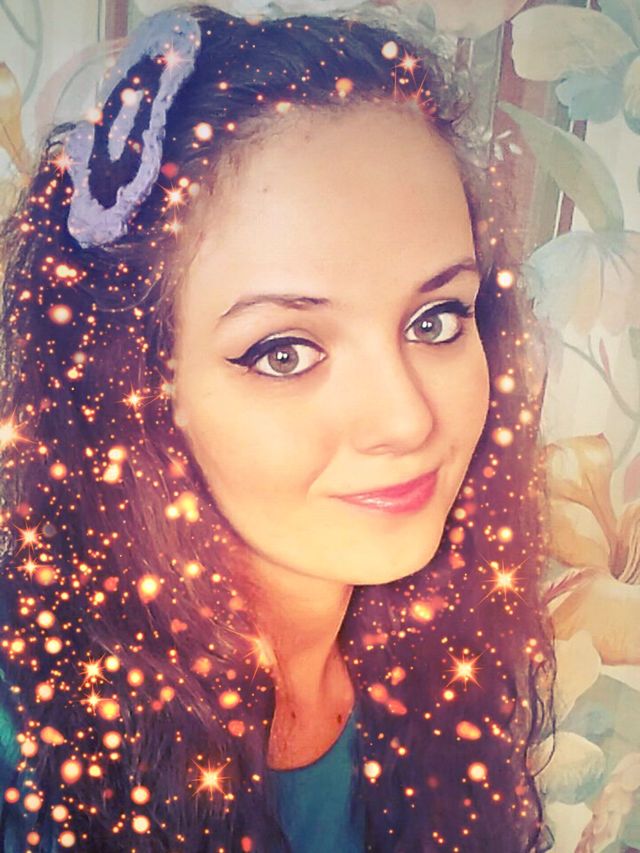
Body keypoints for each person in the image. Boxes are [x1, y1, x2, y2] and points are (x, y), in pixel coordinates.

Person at [0, 5, 553, 851]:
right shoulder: (33, 740)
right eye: (285, 352)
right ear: (141, 387)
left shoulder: (446, 652)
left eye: (437, 319)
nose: (407, 419)